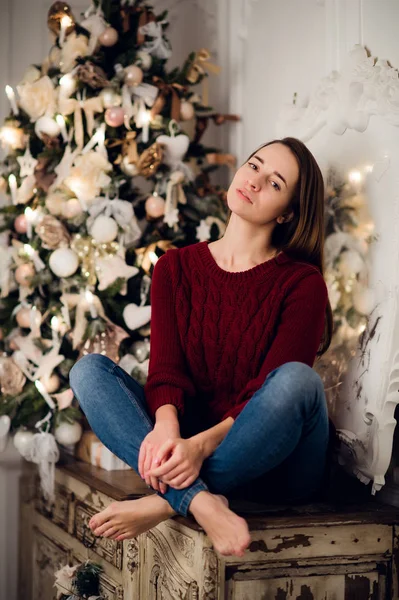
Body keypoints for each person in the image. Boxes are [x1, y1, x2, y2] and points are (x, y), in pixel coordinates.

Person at [69, 137, 333, 558]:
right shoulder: (175, 267)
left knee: (298, 382)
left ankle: (165, 501)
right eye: (253, 165)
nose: (254, 181)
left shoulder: (301, 284)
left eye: (275, 182)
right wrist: (168, 428)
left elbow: (267, 393)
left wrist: (199, 447)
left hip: (276, 464)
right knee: (88, 372)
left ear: (287, 213)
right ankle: (201, 501)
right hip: (188, 451)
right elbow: (166, 373)